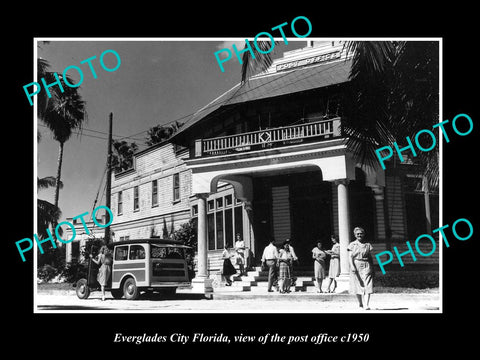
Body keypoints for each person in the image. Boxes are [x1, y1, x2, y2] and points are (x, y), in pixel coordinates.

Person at [348, 227, 374, 310]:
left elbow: (370, 257)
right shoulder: (352, 245)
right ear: (355, 235)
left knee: (368, 284)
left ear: (364, 234)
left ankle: (366, 304)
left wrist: (373, 267)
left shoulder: (368, 245)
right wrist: (352, 266)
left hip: (367, 264)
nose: (359, 235)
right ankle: (360, 303)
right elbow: (350, 257)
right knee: (358, 284)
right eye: (357, 234)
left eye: (361, 233)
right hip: (356, 264)